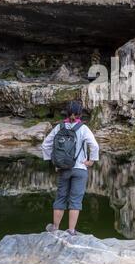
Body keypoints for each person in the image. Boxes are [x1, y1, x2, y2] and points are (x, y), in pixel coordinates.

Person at [41, 100, 99, 235]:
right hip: (80, 169)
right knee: (75, 200)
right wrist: (91, 161)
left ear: (66, 112)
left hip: (64, 169)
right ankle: (71, 230)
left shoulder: (59, 127)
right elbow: (95, 146)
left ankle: (55, 228)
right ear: (80, 114)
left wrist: (54, 162)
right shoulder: (83, 128)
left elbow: (45, 145)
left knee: (61, 198)